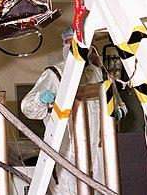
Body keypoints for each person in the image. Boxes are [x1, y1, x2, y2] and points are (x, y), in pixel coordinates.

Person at [21, 26, 104, 194]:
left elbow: (116, 104)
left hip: (97, 153)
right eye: (68, 42)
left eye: (77, 42)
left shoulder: (98, 73)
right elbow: (27, 107)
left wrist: (119, 110)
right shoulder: (54, 73)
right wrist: (40, 99)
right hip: (66, 155)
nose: (72, 46)